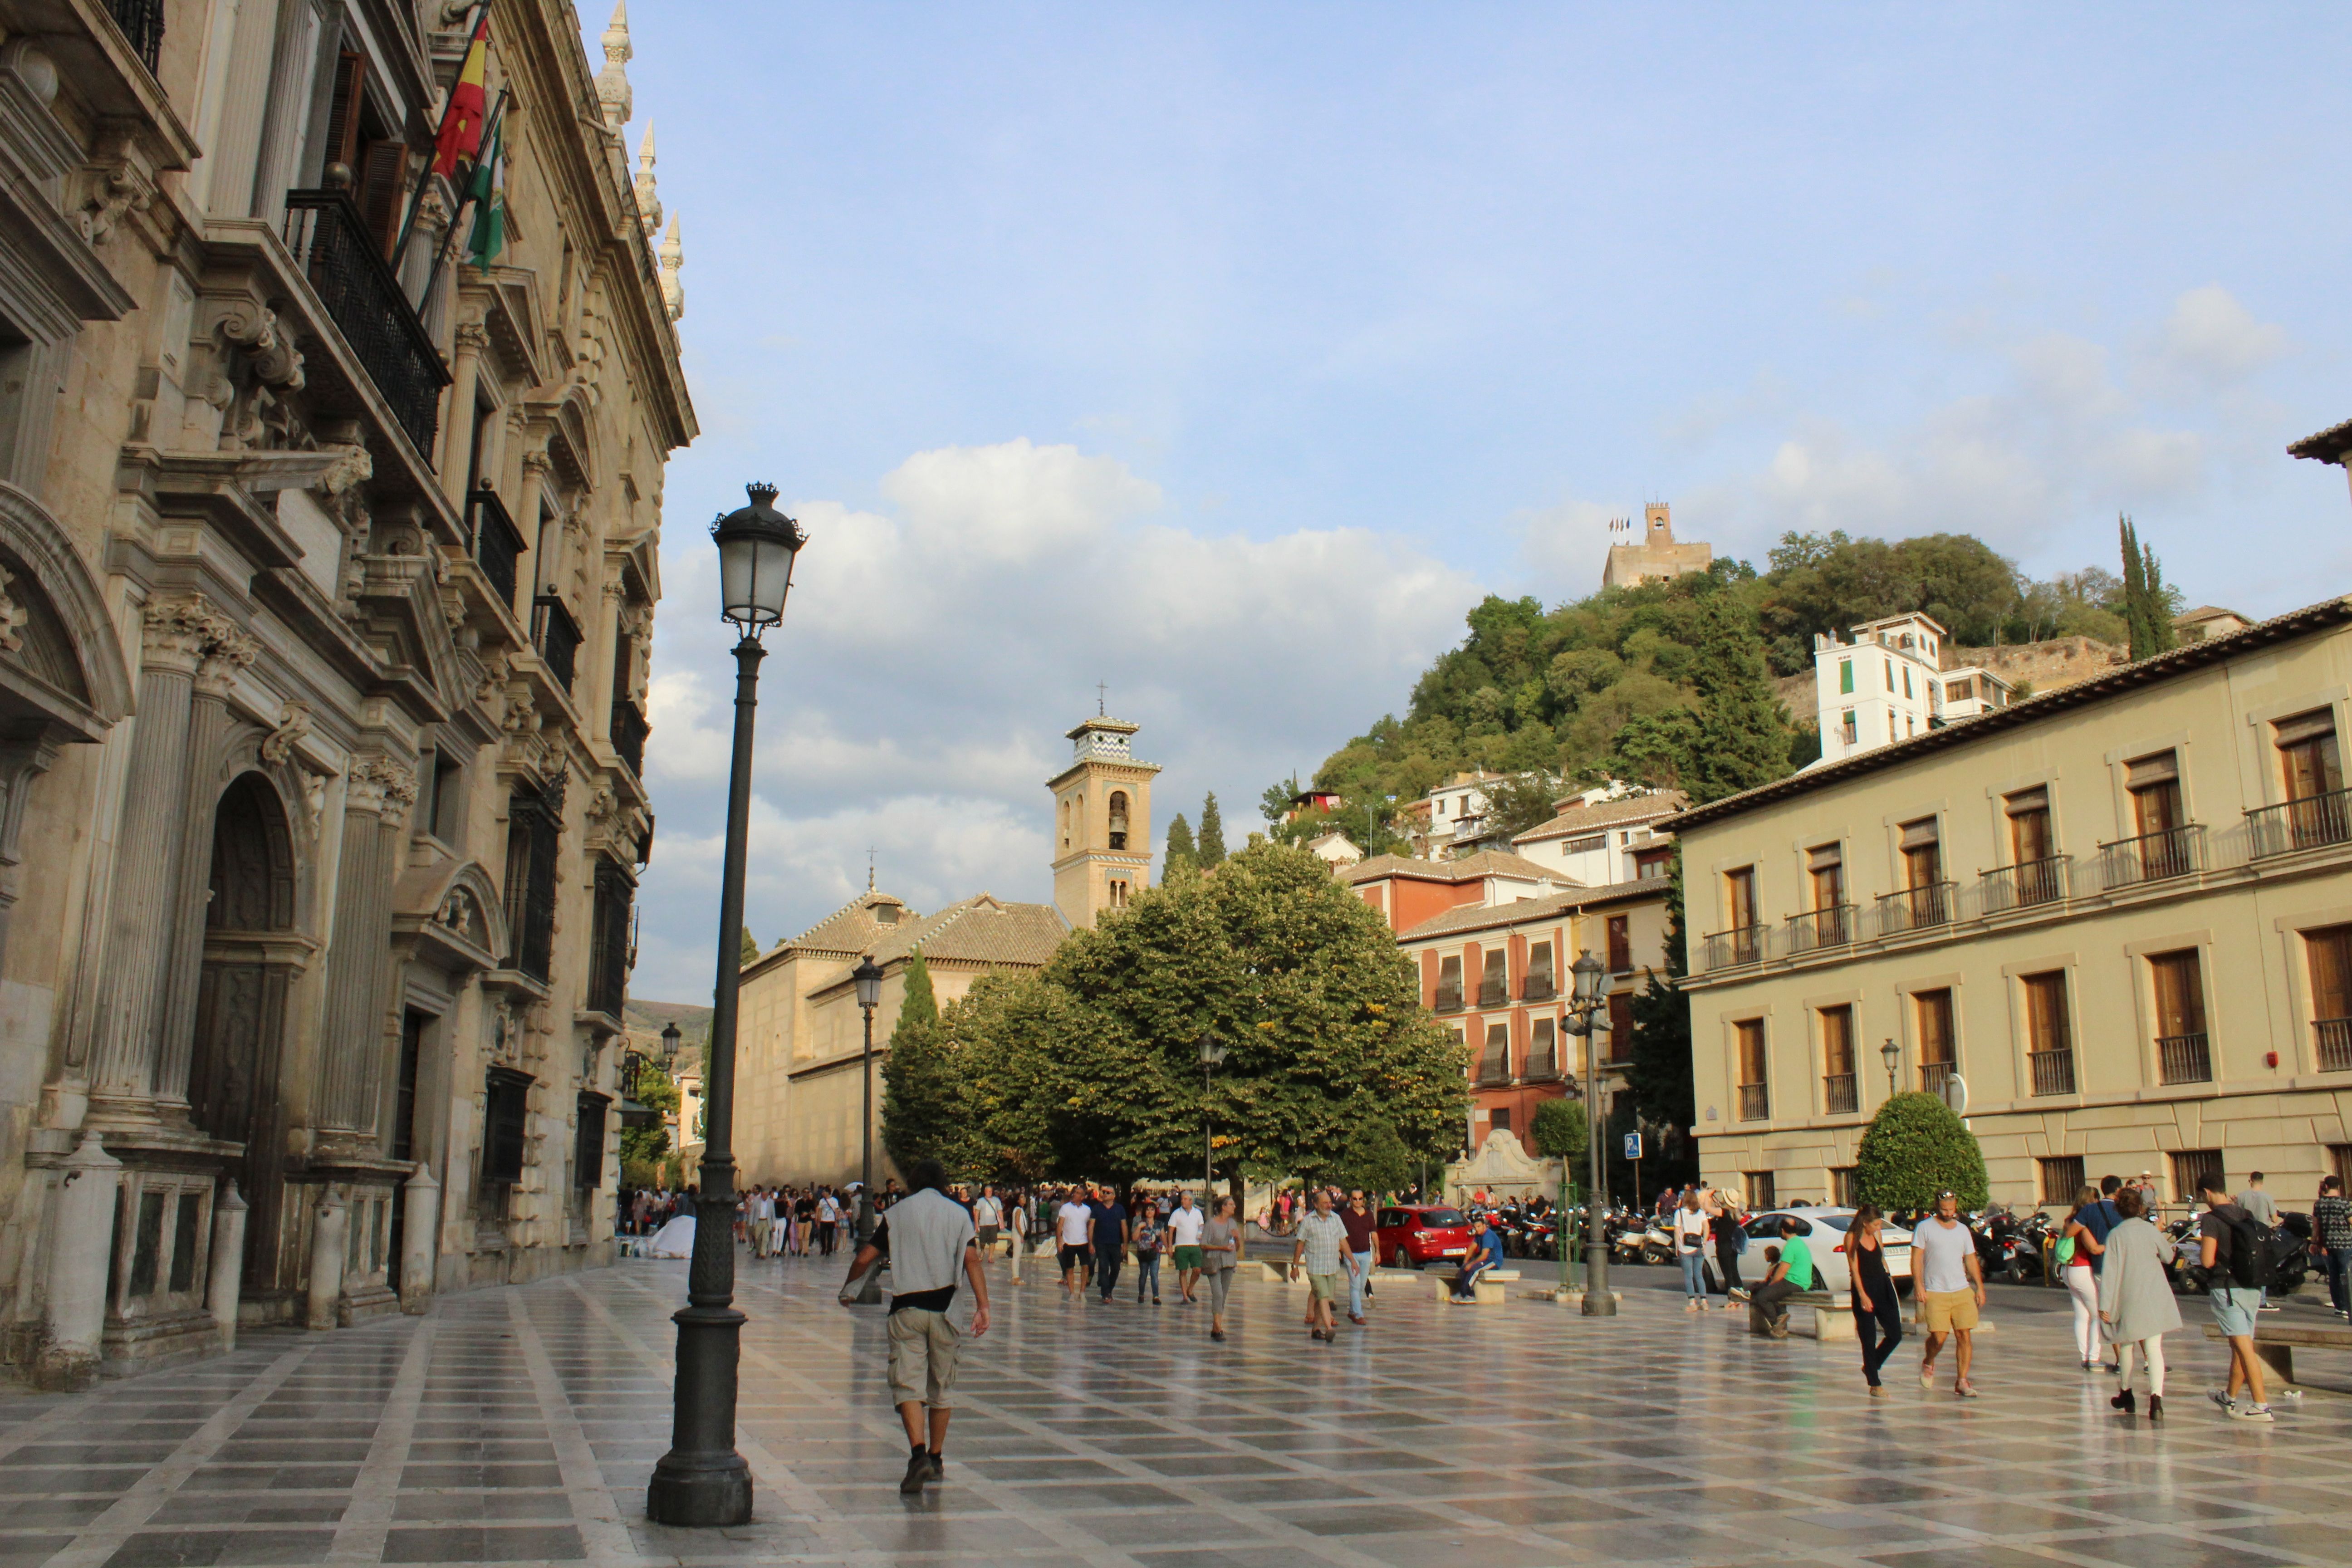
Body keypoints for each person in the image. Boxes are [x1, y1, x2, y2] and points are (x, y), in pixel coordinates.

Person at [838, 1159, 992, 1494]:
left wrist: (849, 1290)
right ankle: (936, 1459)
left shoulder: (897, 1214)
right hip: (946, 1310)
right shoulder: (958, 1214)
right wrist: (983, 1307)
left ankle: (918, 1455)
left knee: (907, 1384)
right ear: (943, 1182)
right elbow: (971, 1260)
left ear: (913, 1182)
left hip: (907, 1309)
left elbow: (865, 1258)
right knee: (941, 1387)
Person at [2097, 1186, 2179, 1422]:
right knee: (2154, 1348)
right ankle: (2156, 1400)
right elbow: (2168, 1257)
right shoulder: (2150, 1230)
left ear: (2118, 1209)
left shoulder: (2115, 1235)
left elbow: (2110, 1273)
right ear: (2141, 1208)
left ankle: (2127, 1392)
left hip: (2128, 1296)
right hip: (2154, 1294)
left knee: (2126, 1345)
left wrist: (2106, 1305)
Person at [2197, 1173, 2274, 1421]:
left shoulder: (2210, 1220)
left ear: (2207, 1193)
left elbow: (2207, 1260)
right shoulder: (2245, 1214)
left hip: (2227, 1288)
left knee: (2244, 1348)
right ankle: (2229, 1397)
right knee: (2240, 1347)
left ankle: (2261, 1406)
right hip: (2252, 1286)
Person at [1911, 1190, 1986, 1397]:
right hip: (1936, 1291)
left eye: (1951, 1209)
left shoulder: (1962, 1230)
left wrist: (1979, 1286)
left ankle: (1962, 1380)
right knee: (1939, 1337)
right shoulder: (1924, 1228)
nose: (1948, 1212)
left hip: (1961, 1289)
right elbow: (1917, 1258)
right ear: (1937, 1206)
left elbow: (1970, 1259)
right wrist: (1918, 1285)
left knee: (1965, 1334)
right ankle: (1929, 1361)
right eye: (1944, 1209)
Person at [1848, 1204, 1901, 1395]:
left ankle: (1873, 1365)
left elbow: (1882, 1259)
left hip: (1883, 1286)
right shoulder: (1852, 1238)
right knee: (1869, 1338)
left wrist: (1889, 1276)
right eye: (1876, 1224)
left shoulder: (1877, 1236)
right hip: (1864, 1288)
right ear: (1865, 1223)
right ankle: (1874, 1383)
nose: (1879, 1228)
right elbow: (1854, 1269)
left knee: (1896, 1334)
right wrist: (1862, 1295)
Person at [1290, 1189, 1357, 1339]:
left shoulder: (1336, 1219)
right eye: (1325, 1203)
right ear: (1315, 1204)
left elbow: (1343, 1241)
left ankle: (1316, 1329)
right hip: (1316, 1268)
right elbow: (1300, 1244)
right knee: (1323, 1297)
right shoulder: (1308, 1221)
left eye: (1330, 1203)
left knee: (1324, 1298)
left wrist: (1352, 1261)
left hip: (1332, 1267)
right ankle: (1328, 1328)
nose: (1328, 1206)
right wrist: (1294, 1266)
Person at [2058, 1186, 2107, 1370]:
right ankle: (2094, 1358)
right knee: (2097, 1315)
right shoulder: (2083, 1220)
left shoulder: (2069, 1219)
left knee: (2081, 1316)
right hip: (2084, 1268)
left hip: (2070, 1269)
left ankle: (2084, 1356)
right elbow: (2092, 1248)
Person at [1749, 1216, 1813, 1335]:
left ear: (1783, 1230)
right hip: (1801, 1281)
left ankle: (1778, 1324)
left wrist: (1772, 1284)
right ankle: (1781, 1315)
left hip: (1795, 1282)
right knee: (1768, 1291)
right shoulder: (1799, 1243)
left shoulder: (1790, 1246)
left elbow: (1783, 1270)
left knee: (1762, 1297)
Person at [1202, 1195, 1243, 1340]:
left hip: (1229, 1262)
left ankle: (1216, 1328)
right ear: (1223, 1207)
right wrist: (1221, 1248)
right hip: (1213, 1262)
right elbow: (1203, 1244)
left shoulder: (1232, 1223)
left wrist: (1237, 1238)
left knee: (1223, 1296)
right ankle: (1218, 1327)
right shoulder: (1211, 1224)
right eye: (1231, 1204)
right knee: (1218, 1294)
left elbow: (1236, 1248)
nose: (1234, 1207)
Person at [1446, 1213, 1506, 1304]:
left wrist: (1471, 1264)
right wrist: (1465, 1262)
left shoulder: (1488, 1236)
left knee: (1474, 1269)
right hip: (1485, 1260)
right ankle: (1466, 1294)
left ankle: (1467, 1294)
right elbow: (1471, 1248)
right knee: (1464, 1269)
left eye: (1479, 1227)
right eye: (1475, 1228)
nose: (1477, 1229)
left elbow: (1484, 1256)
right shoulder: (1478, 1236)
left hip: (1493, 1261)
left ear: (1484, 1226)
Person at [2315, 1174, 2352, 1322]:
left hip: (2328, 1244)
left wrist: (2314, 1243)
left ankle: (2339, 1306)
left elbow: (2316, 1225)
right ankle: (2348, 1306)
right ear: (2338, 1187)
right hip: (2345, 1244)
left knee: (2334, 1276)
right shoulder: (2344, 1203)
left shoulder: (2319, 1204)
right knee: (2347, 1276)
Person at [1341, 1192, 1378, 1325]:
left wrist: (1378, 1251)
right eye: (1355, 1199)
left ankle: (1352, 1311)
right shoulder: (1345, 1215)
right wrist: (1340, 1250)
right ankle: (1358, 1314)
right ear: (1351, 1200)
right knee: (1355, 1284)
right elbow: (1340, 1235)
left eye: (1360, 1199)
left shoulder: (1368, 1215)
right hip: (1351, 1254)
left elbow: (1374, 1234)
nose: (1357, 1201)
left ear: (1363, 1200)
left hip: (1366, 1254)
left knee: (1362, 1285)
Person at [1673, 1189, 1710, 1312]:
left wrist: (1677, 1247)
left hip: (1685, 1248)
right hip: (1699, 1247)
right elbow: (1707, 1228)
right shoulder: (1701, 1213)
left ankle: (1692, 1302)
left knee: (1689, 1276)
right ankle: (1704, 1302)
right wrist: (1704, 1243)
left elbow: (1677, 1231)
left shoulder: (1680, 1213)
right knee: (1699, 1275)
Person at [1709, 1192, 1749, 1303]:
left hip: (1723, 1246)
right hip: (1733, 1247)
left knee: (1728, 1274)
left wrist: (1705, 1195)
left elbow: (1707, 1208)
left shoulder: (1724, 1212)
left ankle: (1732, 1300)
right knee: (1734, 1271)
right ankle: (1739, 1298)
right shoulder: (1735, 1213)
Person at [1168, 1190, 1206, 1303]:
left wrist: (1201, 1236)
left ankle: (1190, 1289)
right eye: (1182, 1199)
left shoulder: (1197, 1213)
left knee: (1197, 1270)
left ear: (1191, 1201)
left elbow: (1201, 1226)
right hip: (1181, 1245)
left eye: (1185, 1199)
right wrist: (1170, 1246)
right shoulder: (1176, 1213)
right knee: (1183, 1271)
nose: (1183, 1201)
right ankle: (1185, 1296)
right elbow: (1171, 1230)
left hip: (1195, 1245)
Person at [1055, 1187, 1094, 1296]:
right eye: (1074, 1192)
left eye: (1078, 1193)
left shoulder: (1087, 1210)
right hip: (1069, 1242)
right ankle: (1072, 1292)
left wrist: (1091, 1243)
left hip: (1083, 1242)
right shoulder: (1065, 1208)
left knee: (1085, 1267)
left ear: (1083, 1197)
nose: (1075, 1195)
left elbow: (1090, 1226)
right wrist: (1059, 1241)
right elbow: (1060, 1225)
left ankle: (1082, 1291)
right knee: (1070, 1268)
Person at [1094, 1186, 1129, 1304]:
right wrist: (1091, 1243)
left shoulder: (1120, 1209)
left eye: (1108, 1192)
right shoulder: (1097, 1209)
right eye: (1103, 1192)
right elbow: (1091, 1226)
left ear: (1114, 1196)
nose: (1105, 1194)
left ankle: (1108, 1288)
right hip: (1101, 1243)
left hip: (1115, 1243)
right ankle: (1106, 1293)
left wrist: (1125, 1243)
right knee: (1103, 1267)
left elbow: (1124, 1226)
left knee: (1116, 1268)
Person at [1131, 1200, 1166, 1305]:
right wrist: (1139, 1228)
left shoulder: (1159, 1224)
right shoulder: (1140, 1223)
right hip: (1143, 1251)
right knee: (1143, 1274)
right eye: (1148, 1210)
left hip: (1155, 1251)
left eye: (1152, 1210)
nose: (1150, 1212)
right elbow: (1134, 1238)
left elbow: (1163, 1237)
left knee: (1154, 1274)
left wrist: (1167, 1247)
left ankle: (1156, 1296)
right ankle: (1141, 1294)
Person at [972, 1185, 1002, 1260]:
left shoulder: (997, 1200)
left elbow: (1000, 1211)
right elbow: (977, 1213)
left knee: (993, 1241)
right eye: (988, 1191)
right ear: (985, 1192)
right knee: (982, 1241)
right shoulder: (981, 1201)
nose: (989, 1193)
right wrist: (977, 1224)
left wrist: (1001, 1222)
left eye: (991, 1191)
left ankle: (991, 1256)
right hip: (983, 1224)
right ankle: (982, 1251)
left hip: (994, 1224)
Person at [816, 1187, 841, 1257]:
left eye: (824, 1192)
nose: (823, 1193)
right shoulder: (822, 1201)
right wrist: (818, 1221)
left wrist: (837, 1221)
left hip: (831, 1220)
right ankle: (824, 1248)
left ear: (828, 1192)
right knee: (823, 1236)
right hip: (823, 1220)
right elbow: (820, 1211)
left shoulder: (834, 1200)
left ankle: (828, 1250)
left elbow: (836, 1210)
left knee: (830, 1236)